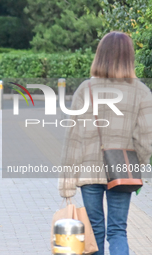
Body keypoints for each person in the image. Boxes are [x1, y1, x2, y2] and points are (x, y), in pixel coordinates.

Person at [59, 31, 152, 255]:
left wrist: (66, 182)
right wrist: (136, 162)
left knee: (94, 230)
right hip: (122, 168)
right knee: (118, 230)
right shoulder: (140, 91)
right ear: (129, 57)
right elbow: (147, 137)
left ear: (100, 55)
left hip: (89, 169)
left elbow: (73, 139)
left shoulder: (85, 89)